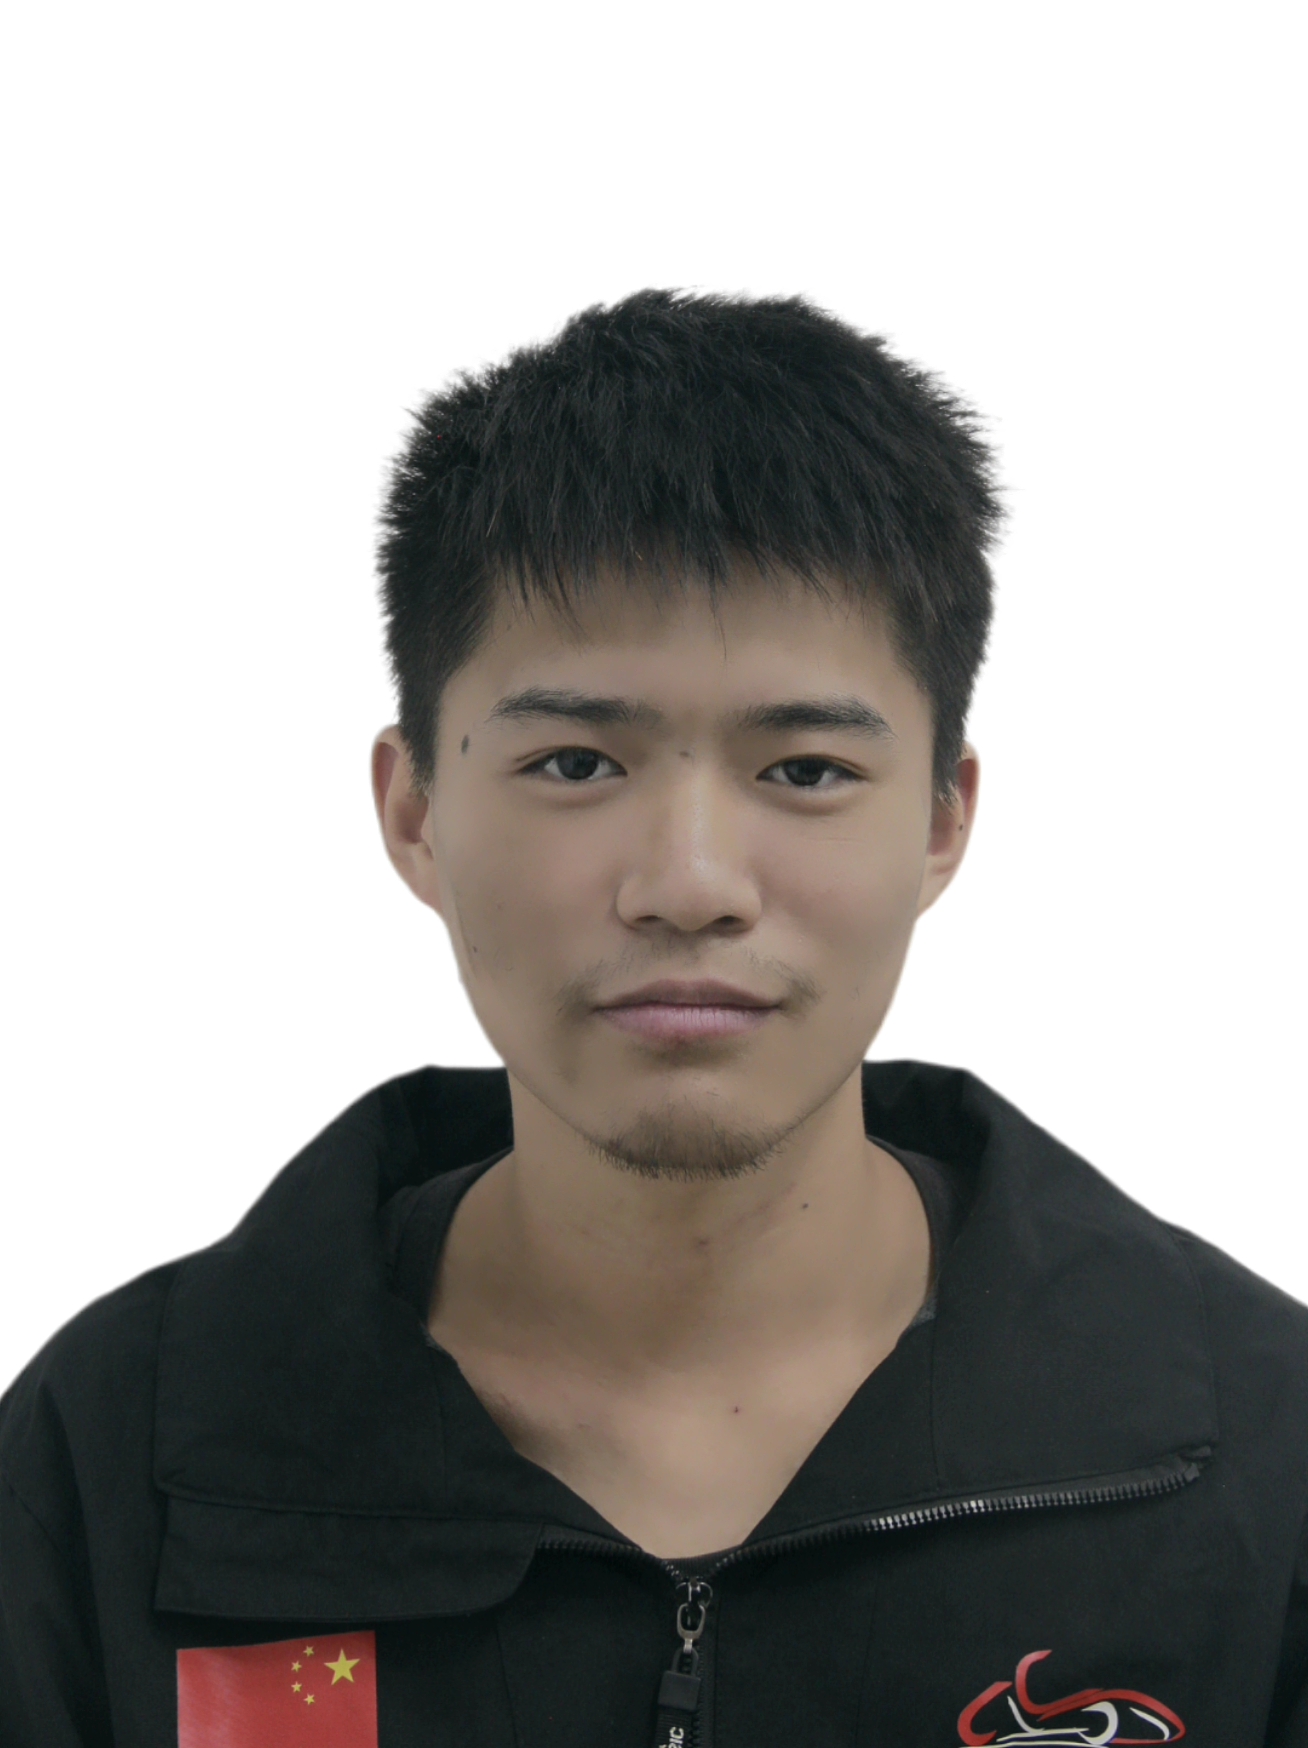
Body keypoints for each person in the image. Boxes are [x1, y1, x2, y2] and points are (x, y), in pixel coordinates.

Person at [2, 288, 1306, 1748]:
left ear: (945, 820)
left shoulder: (1261, 1460)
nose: (689, 884)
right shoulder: (109, 1460)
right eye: (576, 763)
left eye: (805, 771)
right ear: (415, 811)